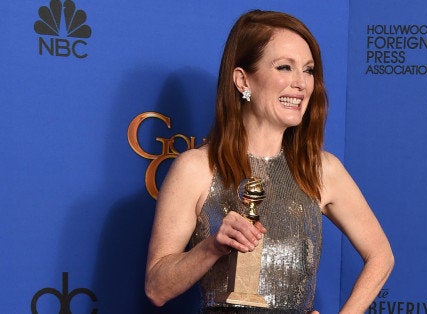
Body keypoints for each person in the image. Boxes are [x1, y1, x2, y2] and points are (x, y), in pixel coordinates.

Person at [144, 9, 394, 313]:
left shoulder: (322, 170)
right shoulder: (196, 168)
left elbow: (381, 256)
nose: (301, 83)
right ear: (242, 80)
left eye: (309, 70)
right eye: (285, 67)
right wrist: (212, 247)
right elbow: (156, 288)